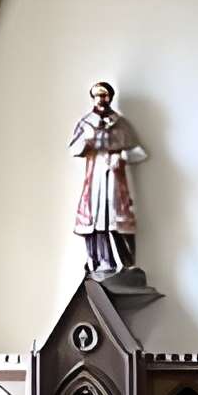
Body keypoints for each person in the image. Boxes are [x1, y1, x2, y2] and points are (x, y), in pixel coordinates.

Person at [71, 80, 148, 277]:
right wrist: (88, 141)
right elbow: (74, 148)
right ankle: (100, 262)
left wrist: (121, 156)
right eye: (97, 95)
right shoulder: (86, 123)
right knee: (95, 221)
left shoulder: (120, 124)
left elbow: (139, 152)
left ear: (110, 97)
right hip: (94, 180)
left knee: (116, 220)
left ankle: (125, 264)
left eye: (104, 95)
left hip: (114, 181)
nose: (100, 99)